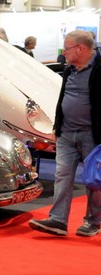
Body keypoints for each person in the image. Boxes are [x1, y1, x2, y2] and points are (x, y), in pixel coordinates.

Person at [30, 30, 101, 238]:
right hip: (67, 133)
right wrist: (57, 126)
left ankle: (93, 222)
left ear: (81, 48)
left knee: (94, 180)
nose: (64, 53)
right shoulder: (70, 69)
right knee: (62, 176)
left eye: (67, 48)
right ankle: (58, 220)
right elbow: (63, 98)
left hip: (92, 135)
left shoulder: (99, 68)